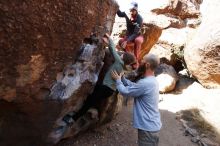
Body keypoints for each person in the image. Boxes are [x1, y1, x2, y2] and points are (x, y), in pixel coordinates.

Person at [62, 33, 136, 125]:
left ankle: (72, 119)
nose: (121, 54)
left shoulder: (119, 62)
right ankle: (75, 115)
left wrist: (109, 39)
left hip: (105, 88)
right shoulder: (122, 67)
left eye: (123, 54)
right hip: (108, 90)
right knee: (90, 99)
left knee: (89, 102)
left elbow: (113, 50)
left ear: (123, 58)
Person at [111, 54, 162, 146]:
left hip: (148, 128)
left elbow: (125, 92)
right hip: (152, 126)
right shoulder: (152, 80)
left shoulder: (146, 83)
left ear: (147, 65)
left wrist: (118, 80)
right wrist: (123, 79)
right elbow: (136, 87)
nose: (139, 62)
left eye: (142, 60)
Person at [117, 2, 144, 68]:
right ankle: (129, 58)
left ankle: (136, 61)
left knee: (138, 41)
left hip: (137, 35)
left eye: (133, 10)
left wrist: (127, 41)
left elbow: (135, 33)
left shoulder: (139, 19)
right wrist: (116, 5)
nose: (131, 12)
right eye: (130, 10)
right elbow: (120, 14)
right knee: (121, 42)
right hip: (129, 35)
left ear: (136, 10)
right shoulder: (127, 14)